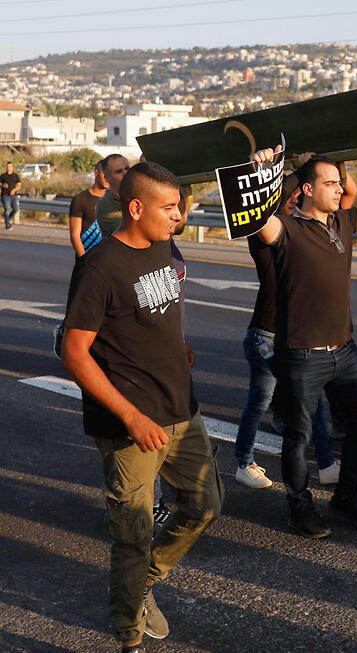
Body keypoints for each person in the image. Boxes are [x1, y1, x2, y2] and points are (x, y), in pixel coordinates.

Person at [61, 162, 223, 653]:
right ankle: (129, 637)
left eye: (180, 207)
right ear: (136, 208)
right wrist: (131, 416)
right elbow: (72, 352)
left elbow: (157, 307)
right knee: (131, 535)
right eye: (169, 208)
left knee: (206, 505)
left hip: (180, 407)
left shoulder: (160, 246)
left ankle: (145, 581)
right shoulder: (99, 267)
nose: (179, 217)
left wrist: (179, 345)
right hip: (131, 423)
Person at [251, 143, 357, 538]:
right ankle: (299, 508)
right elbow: (260, 220)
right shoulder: (287, 229)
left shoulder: (342, 223)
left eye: (340, 181)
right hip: (302, 354)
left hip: (345, 350)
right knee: (299, 436)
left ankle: (346, 497)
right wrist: (272, 173)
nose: (339, 188)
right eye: (330, 182)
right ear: (308, 190)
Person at [233, 167, 356, 490]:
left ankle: (326, 461)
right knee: (261, 400)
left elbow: (347, 200)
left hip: (292, 338)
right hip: (267, 335)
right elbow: (263, 209)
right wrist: (290, 172)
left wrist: (322, 169)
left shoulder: (306, 232)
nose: (294, 203)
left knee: (306, 399)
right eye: (289, 200)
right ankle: (244, 463)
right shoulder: (265, 235)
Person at [69, 159, 108, 256]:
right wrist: (84, 260)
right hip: (88, 258)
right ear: (96, 173)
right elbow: (75, 235)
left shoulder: (114, 199)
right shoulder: (80, 199)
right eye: (105, 175)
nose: (108, 179)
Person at [95, 154, 131, 236]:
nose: (125, 174)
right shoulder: (105, 205)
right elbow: (130, 232)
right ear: (107, 179)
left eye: (127, 169)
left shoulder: (139, 195)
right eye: (119, 171)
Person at [1, 161, 21, 229]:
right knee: (7, 209)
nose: (8, 168)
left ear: (12, 167)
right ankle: (7, 224)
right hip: (5, 195)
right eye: (7, 166)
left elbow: (19, 185)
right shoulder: (3, 175)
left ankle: (8, 220)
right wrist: (3, 185)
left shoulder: (15, 176)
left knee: (16, 209)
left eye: (10, 166)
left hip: (13, 195)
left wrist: (14, 190)